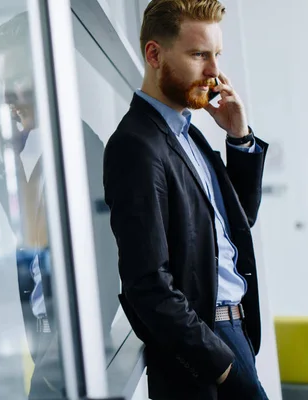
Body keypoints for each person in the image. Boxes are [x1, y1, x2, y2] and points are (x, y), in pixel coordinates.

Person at [103, 1, 269, 399]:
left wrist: (238, 137)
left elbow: (239, 221)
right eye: (199, 55)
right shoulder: (136, 145)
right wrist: (222, 365)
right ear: (154, 55)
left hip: (232, 329)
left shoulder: (188, 133)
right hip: (205, 343)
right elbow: (147, 285)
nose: (214, 72)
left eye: (216, 56)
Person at [0, 12, 108, 399]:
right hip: (44, 346)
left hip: (73, 354)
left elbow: (104, 272)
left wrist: (52, 373)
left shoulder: (83, 154)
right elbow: (28, 241)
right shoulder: (25, 158)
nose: (6, 97)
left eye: (14, 81)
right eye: (2, 84)